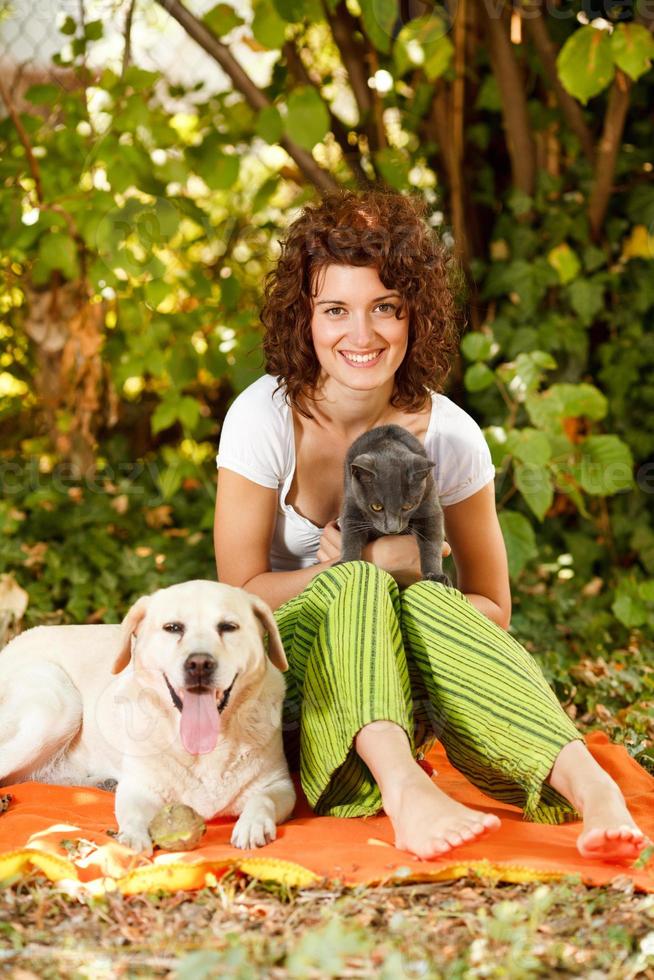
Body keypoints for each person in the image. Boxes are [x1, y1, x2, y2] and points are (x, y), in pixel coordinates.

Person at [214, 189, 648, 862]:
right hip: (302, 707)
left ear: (415, 313)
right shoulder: (263, 417)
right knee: (358, 584)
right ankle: (406, 791)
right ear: (306, 318)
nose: (361, 335)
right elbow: (235, 595)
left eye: (385, 307)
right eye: (336, 310)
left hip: (407, 695)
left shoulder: (452, 435)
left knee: (419, 593)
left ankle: (591, 788)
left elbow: (493, 609)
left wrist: (413, 578)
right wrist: (345, 572)